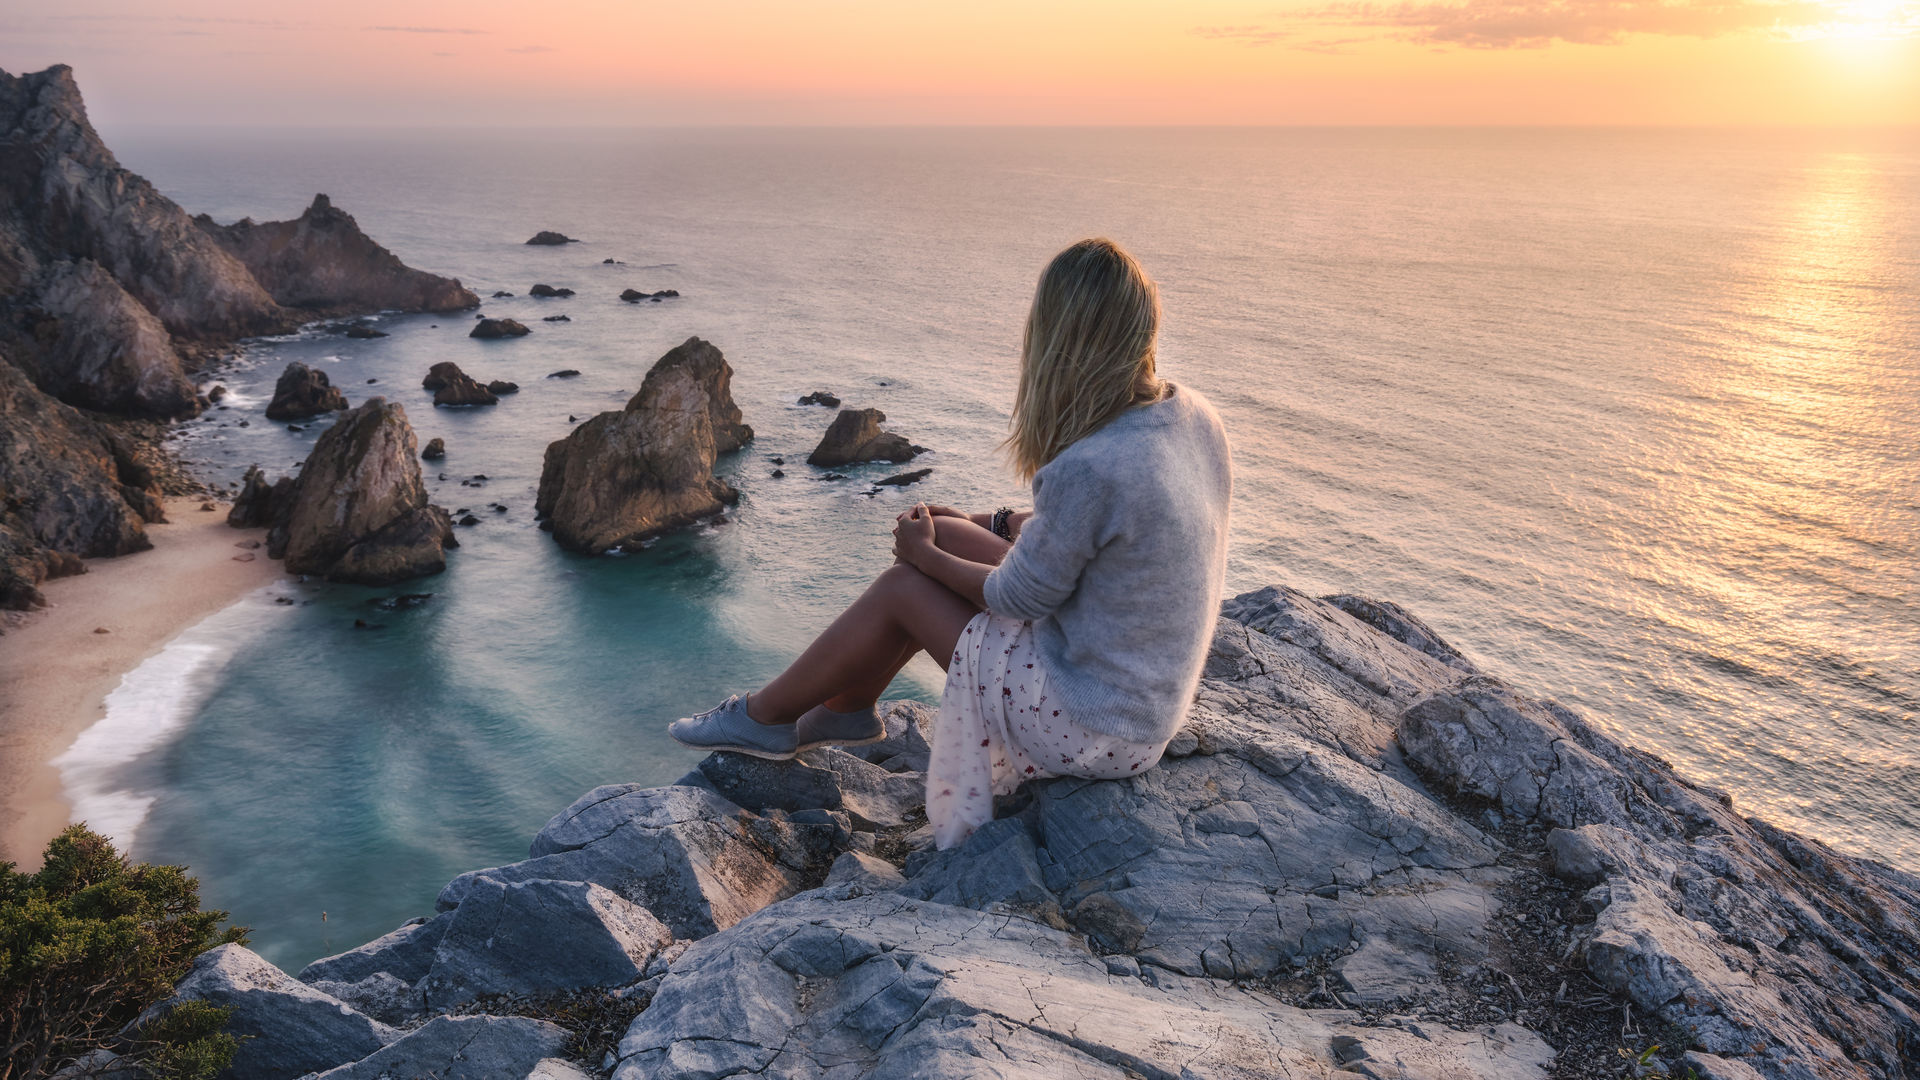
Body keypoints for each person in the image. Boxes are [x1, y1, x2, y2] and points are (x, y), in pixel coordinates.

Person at [670, 237, 1232, 848]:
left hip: (1092, 729)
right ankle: (848, 708)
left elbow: (1016, 599)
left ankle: (764, 717)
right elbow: (1102, 535)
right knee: (953, 535)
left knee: (906, 587)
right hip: (1142, 701)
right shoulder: (1191, 415)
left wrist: (924, 556)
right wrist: (982, 523)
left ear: (1059, 340)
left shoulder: (1091, 466)